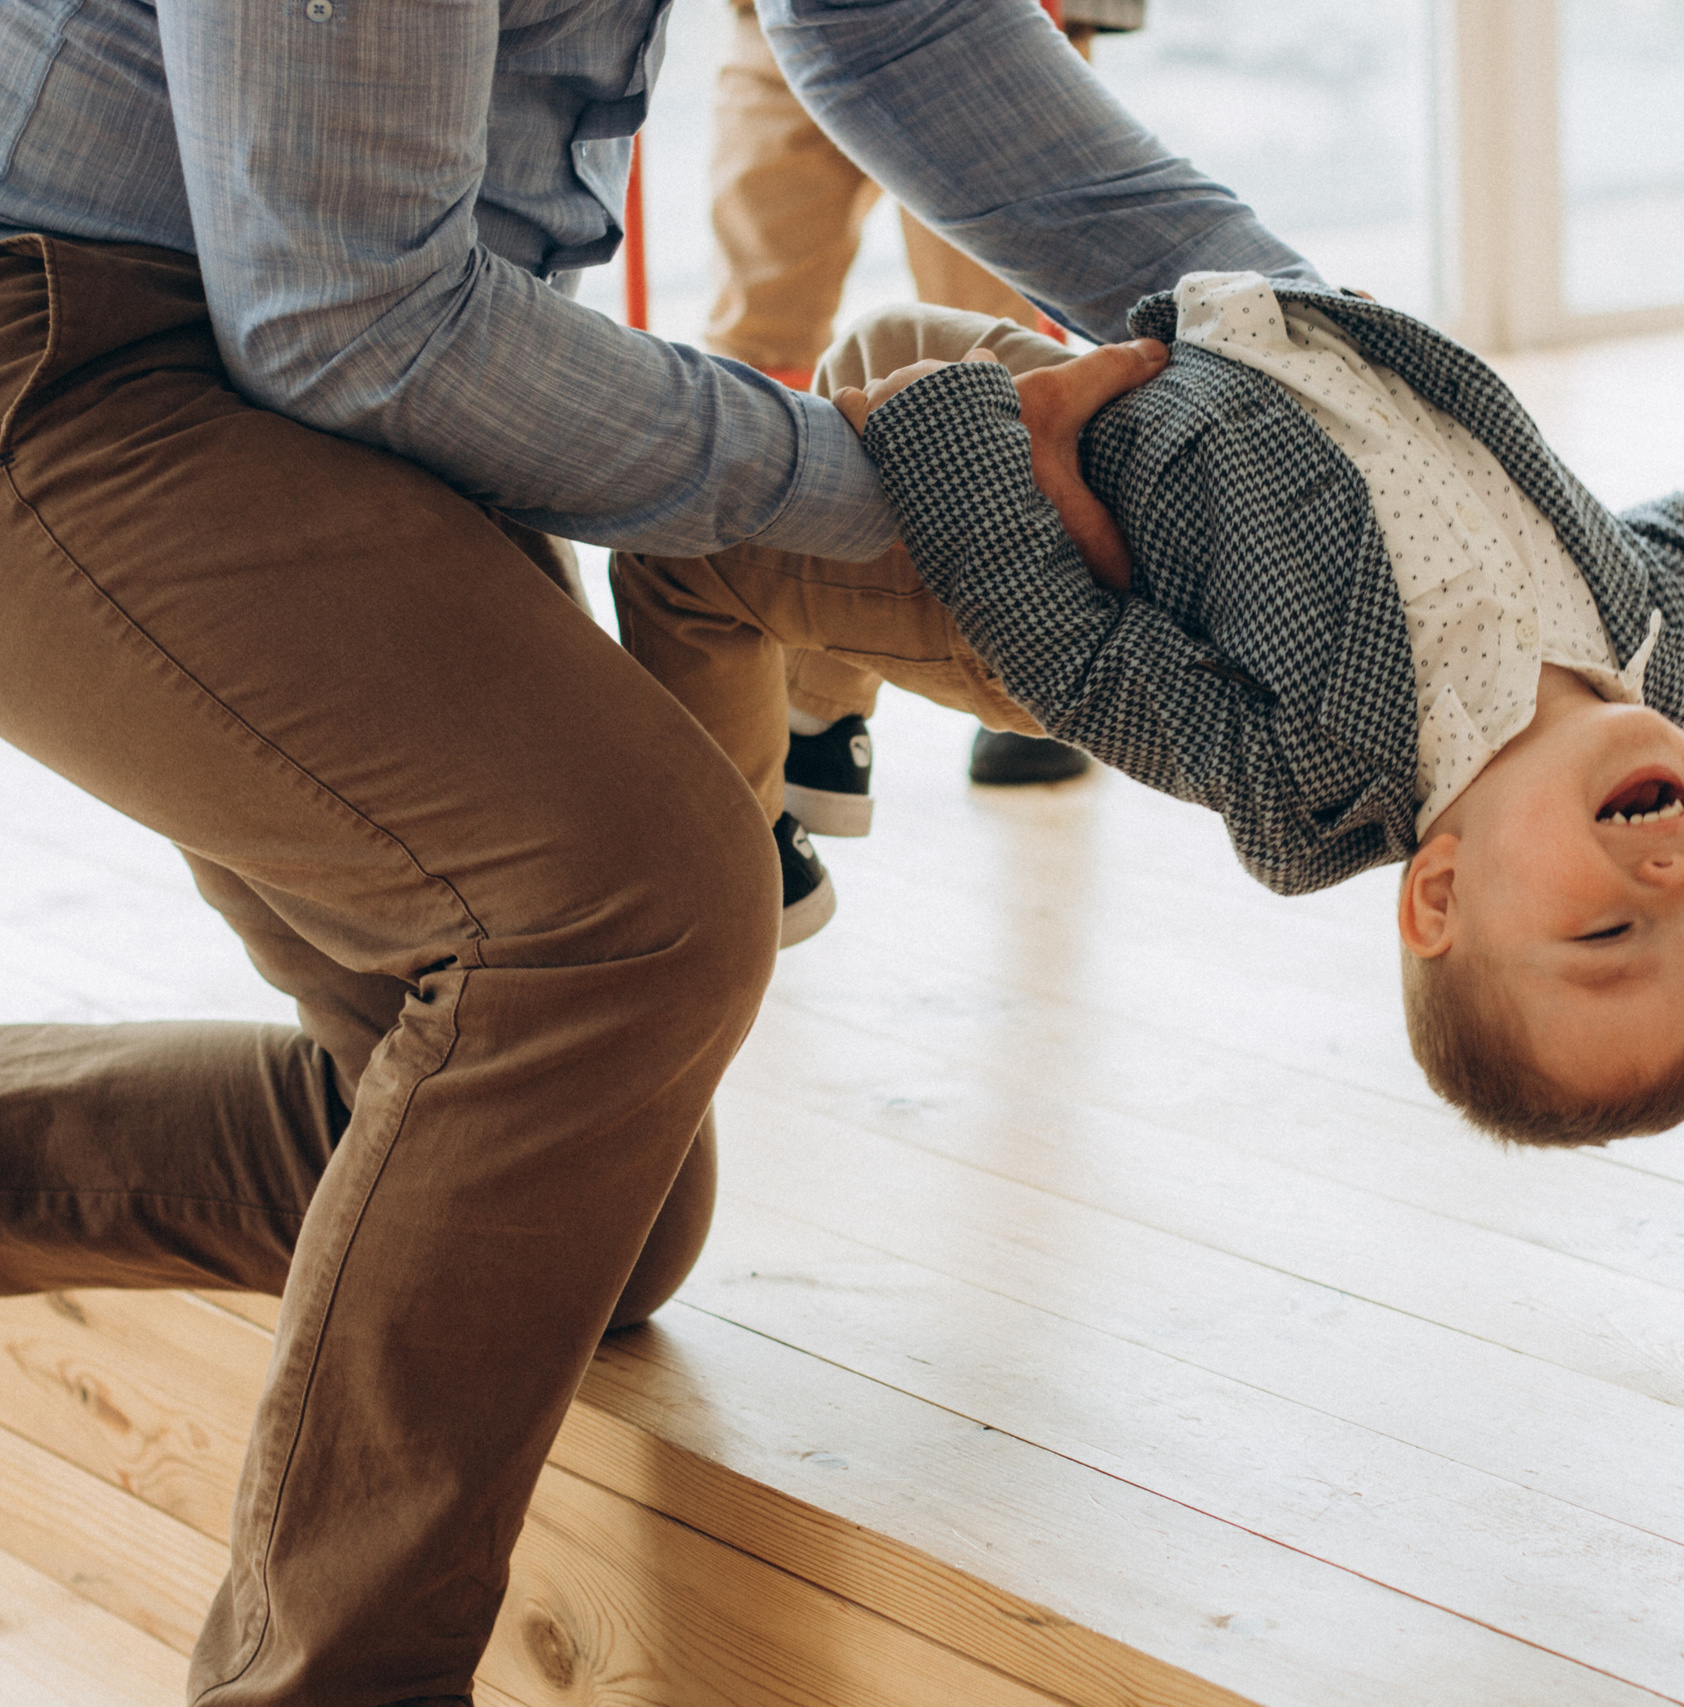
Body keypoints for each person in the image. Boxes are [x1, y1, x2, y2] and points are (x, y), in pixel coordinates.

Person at [0, 0, 1316, 1697]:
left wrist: (1333, 358)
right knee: (624, 907)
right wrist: (906, 479)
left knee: (598, 1217)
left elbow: (904, 31)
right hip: (81, 345)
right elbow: (340, 316)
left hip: (327, 364)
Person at [614, 273, 1684, 1139]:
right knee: (875, 337)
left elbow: (1077, 659)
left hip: (1016, 558)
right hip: (1172, 406)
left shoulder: (1322, 783)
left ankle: (736, 856)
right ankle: (823, 730)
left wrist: (960, 456)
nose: (1676, 881)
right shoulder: (1648, 649)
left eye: (1611, 934)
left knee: (692, 551)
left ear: (1440, 894)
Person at [705, 0, 1138, 891]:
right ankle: (792, 714)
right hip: (776, 16)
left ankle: (1020, 664)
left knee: (981, 339)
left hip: (978, 19)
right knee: (756, 349)